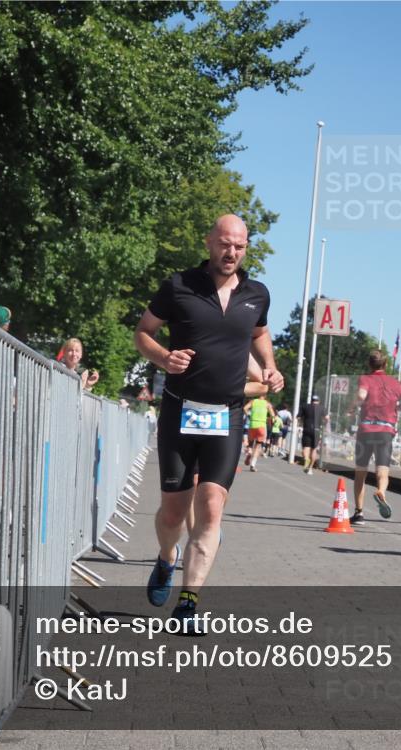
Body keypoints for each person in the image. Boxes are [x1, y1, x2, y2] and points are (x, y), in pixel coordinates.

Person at [134, 214, 283, 632]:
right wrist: (164, 357)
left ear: (246, 248)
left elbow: (259, 333)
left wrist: (270, 366)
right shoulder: (179, 286)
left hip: (227, 414)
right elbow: (143, 332)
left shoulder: (257, 294)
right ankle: (167, 558)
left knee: (212, 506)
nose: (231, 252)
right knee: (173, 513)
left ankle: (189, 602)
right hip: (179, 411)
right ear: (209, 242)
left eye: (239, 246)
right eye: (224, 244)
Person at [350, 350, 401, 524]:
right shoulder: (394, 382)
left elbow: (361, 395)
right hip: (386, 431)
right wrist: (395, 408)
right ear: (385, 364)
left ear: (369, 364)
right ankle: (381, 492)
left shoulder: (366, 378)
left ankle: (359, 513)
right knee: (382, 470)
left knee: (360, 472)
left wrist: (352, 407)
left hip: (366, 430)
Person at [243, 393, 272, 471]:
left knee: (251, 443)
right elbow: (273, 415)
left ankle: (249, 451)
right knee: (258, 446)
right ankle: (253, 464)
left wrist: (248, 415)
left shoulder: (253, 401)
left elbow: (245, 408)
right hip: (262, 426)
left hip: (252, 424)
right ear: (265, 396)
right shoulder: (267, 404)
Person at [298, 395, 325, 475]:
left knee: (306, 447)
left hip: (307, 429)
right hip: (317, 430)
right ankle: (310, 469)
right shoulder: (322, 408)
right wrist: (322, 424)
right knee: (314, 449)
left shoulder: (305, 406)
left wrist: (301, 424)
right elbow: (327, 418)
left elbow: (298, 417)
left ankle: (306, 459)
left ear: (311, 400)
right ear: (318, 401)